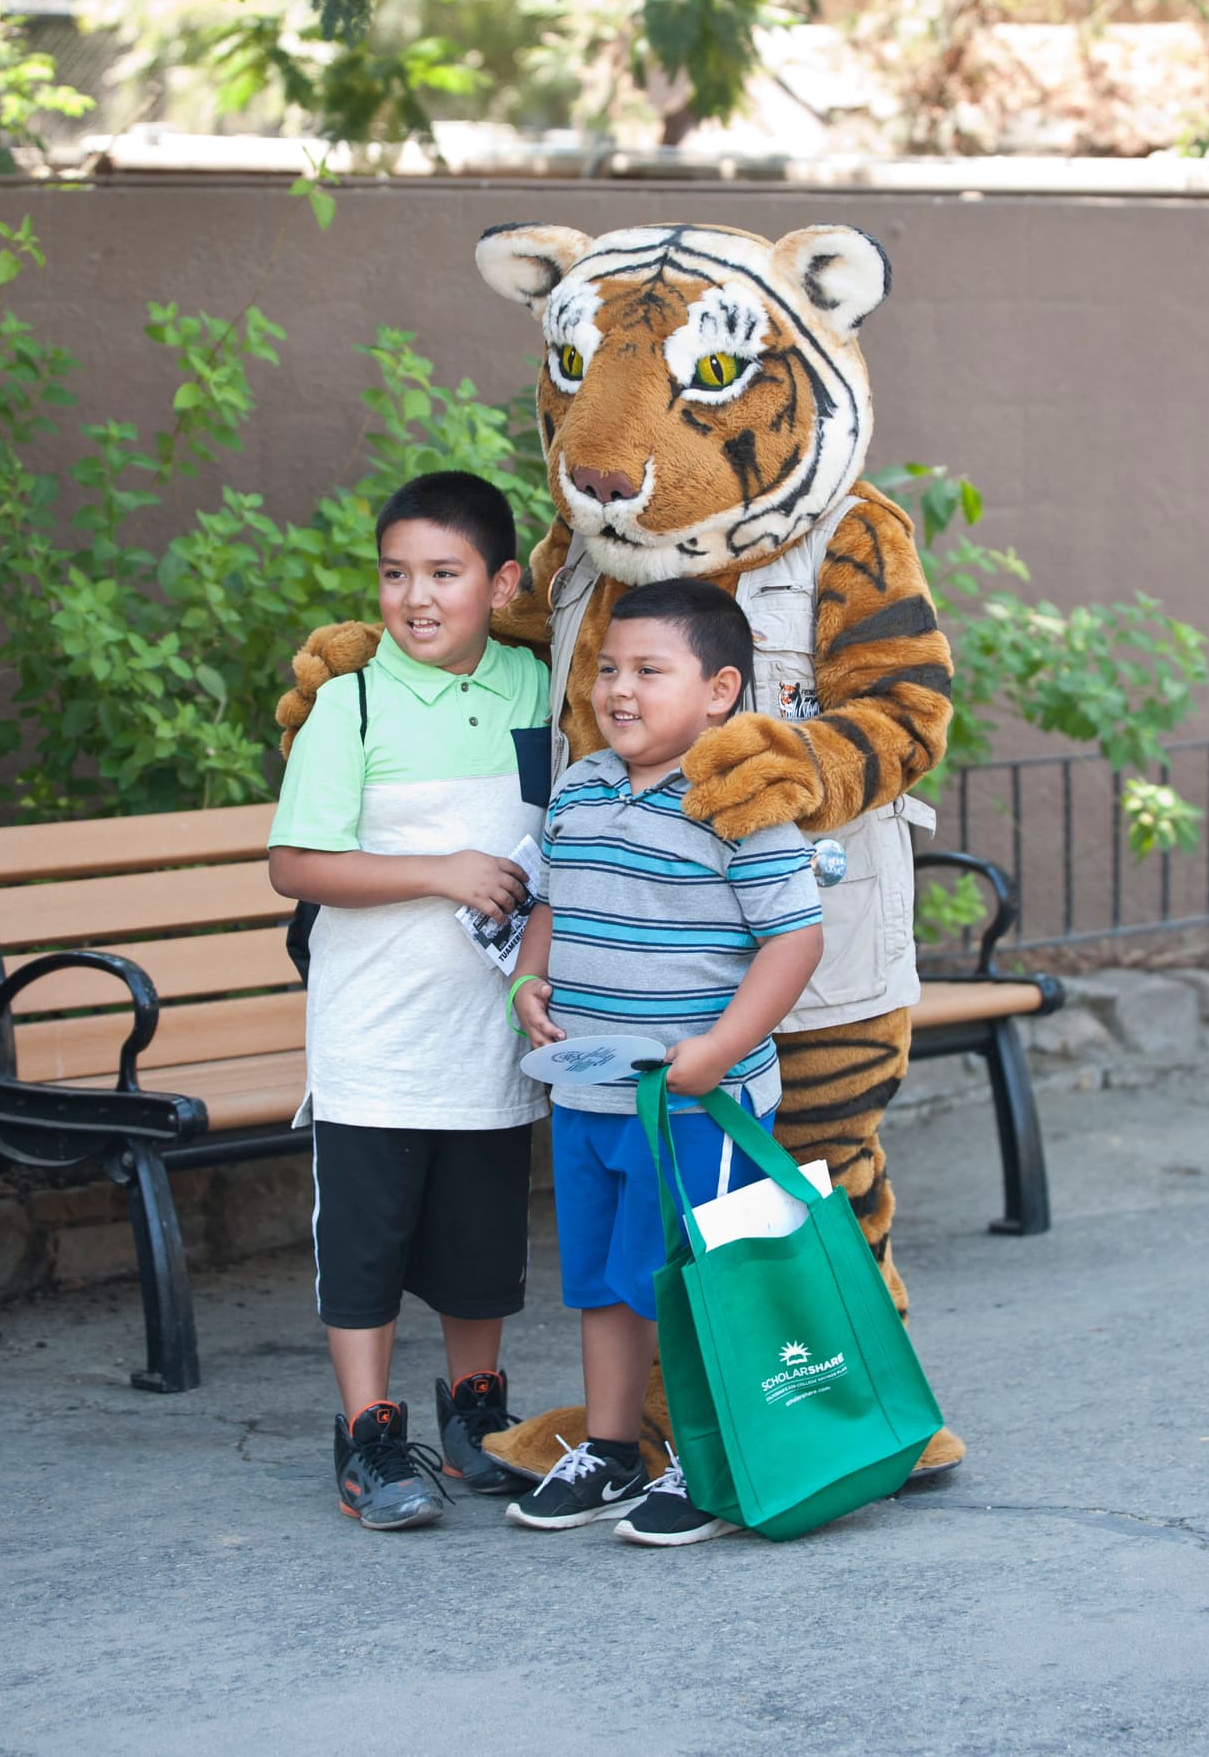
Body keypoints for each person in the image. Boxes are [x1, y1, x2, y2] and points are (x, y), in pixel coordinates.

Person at [507, 578, 824, 1546]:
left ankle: (710, 1459)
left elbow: (793, 941)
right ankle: (610, 1450)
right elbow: (551, 906)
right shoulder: (580, 784)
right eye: (608, 669)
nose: (618, 690)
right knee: (605, 1279)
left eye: (650, 671)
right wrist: (527, 982)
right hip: (591, 1095)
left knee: (696, 1282)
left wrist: (722, 1050)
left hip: (696, 1106)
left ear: (720, 689)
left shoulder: (738, 802)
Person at [268, 470, 551, 1532]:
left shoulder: (536, 688)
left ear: (502, 582)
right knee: (367, 1245)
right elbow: (295, 866)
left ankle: (477, 1417)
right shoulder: (356, 701)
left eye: (444, 573)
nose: (415, 598)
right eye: (395, 575)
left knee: (481, 1245)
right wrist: (441, 870)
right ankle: (370, 1433)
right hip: (374, 1034)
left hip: (488, 1034)